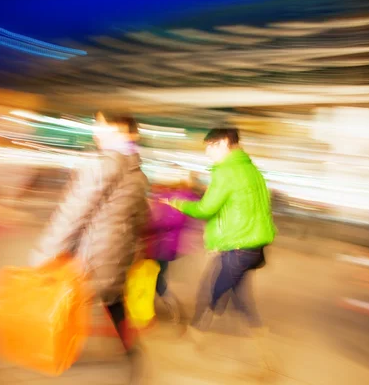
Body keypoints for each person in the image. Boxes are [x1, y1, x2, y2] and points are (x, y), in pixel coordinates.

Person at [29, 112, 149, 384]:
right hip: (116, 256)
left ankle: (63, 352)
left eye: (102, 127)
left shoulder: (103, 165)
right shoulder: (138, 173)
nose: (96, 132)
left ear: (121, 131)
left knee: (71, 301)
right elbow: (141, 219)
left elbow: (73, 212)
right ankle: (132, 352)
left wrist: (44, 254)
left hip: (93, 255)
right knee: (113, 302)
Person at [166, 127, 276, 367]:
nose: (207, 152)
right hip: (252, 245)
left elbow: (206, 208)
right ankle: (265, 352)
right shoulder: (252, 170)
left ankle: (193, 340)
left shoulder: (227, 172)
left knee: (211, 293)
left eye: (210, 146)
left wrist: (177, 203)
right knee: (240, 298)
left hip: (237, 246)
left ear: (225, 143)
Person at [145, 174, 199, 323]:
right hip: (162, 245)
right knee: (153, 277)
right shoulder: (171, 197)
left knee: (157, 279)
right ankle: (151, 308)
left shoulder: (178, 200)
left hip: (163, 246)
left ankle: (170, 307)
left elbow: (166, 222)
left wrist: (150, 223)